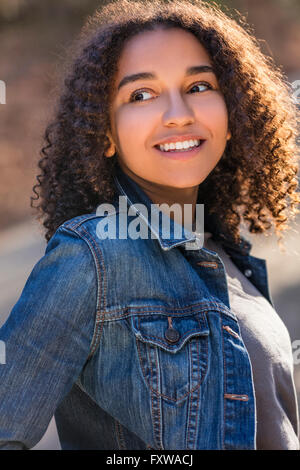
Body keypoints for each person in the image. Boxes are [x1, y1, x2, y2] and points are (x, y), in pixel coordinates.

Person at [0, 0, 299, 450]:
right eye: (140, 94)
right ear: (104, 134)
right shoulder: (93, 257)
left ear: (232, 112)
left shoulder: (227, 254)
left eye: (199, 85)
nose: (178, 113)